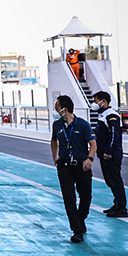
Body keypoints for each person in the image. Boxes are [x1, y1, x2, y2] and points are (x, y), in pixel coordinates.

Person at [50, 95, 96, 243]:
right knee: (69, 199)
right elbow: (53, 140)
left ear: (65, 109)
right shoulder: (57, 125)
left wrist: (90, 159)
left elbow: (93, 144)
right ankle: (77, 231)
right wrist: (55, 156)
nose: (56, 111)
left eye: (57, 108)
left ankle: (80, 219)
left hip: (81, 166)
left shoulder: (82, 125)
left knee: (86, 197)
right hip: (64, 167)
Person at [92, 91, 127, 218]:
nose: (94, 104)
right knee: (109, 180)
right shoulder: (103, 115)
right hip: (104, 154)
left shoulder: (112, 115)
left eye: (96, 101)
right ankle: (117, 203)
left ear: (103, 101)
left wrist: (109, 151)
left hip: (111, 155)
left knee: (115, 179)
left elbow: (114, 135)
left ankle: (122, 207)